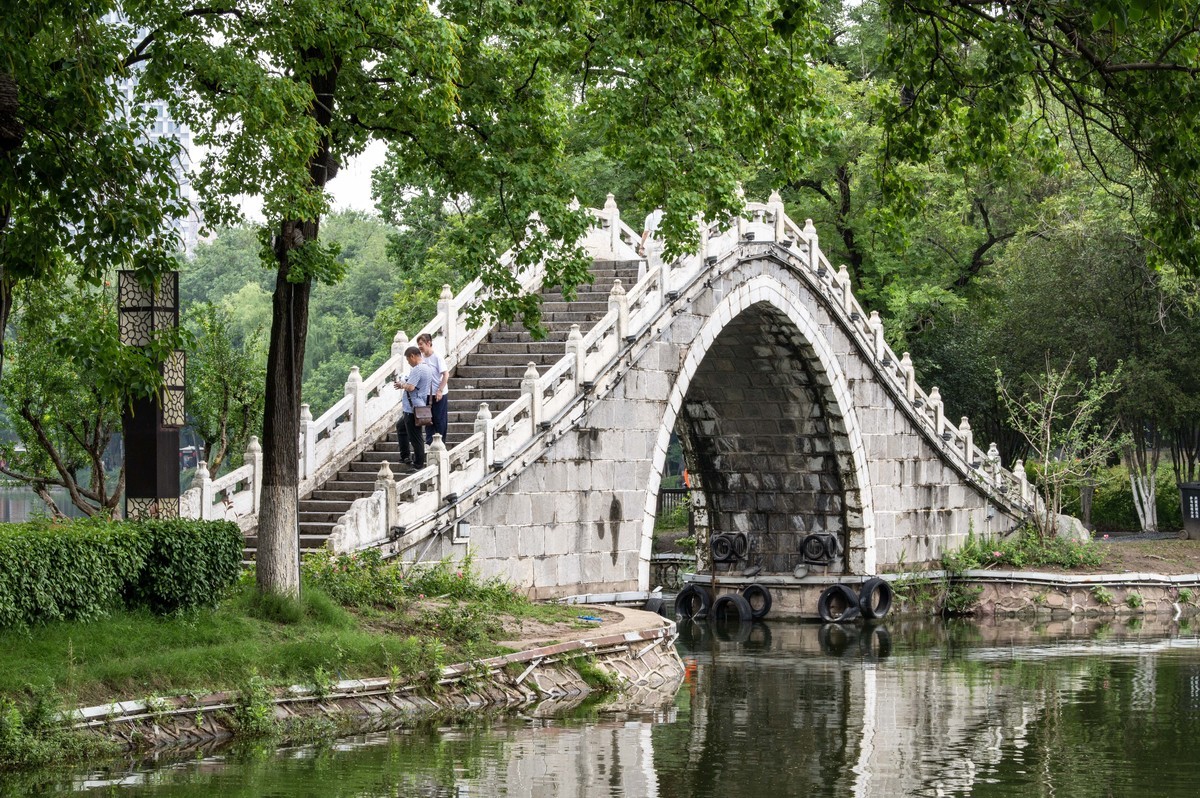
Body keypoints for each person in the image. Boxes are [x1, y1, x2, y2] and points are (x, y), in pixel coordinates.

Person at [393, 346, 435, 468]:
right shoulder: (427, 368)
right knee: (400, 426)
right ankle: (405, 456)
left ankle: (418, 464)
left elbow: (411, 387)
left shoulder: (417, 369)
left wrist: (402, 384)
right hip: (419, 404)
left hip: (412, 408)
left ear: (412, 356)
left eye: (408, 359)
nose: (408, 362)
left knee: (415, 437)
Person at [416, 332, 449, 446]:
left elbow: (446, 375)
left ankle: (441, 444)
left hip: (439, 394)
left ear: (428, 343)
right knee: (427, 419)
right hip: (427, 395)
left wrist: (440, 390)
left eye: (421, 344)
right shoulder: (421, 358)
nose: (420, 347)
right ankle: (429, 444)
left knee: (439, 420)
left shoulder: (437, 357)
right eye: (418, 344)